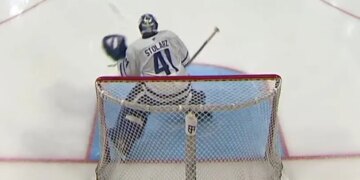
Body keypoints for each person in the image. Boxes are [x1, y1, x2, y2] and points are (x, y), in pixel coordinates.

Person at [102, 13, 211, 158]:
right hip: (183, 91)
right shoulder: (170, 35)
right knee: (190, 91)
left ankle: (124, 140)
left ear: (140, 28)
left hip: (154, 95)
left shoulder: (135, 48)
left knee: (133, 102)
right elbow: (185, 59)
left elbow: (128, 75)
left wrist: (121, 58)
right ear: (156, 26)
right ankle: (197, 108)